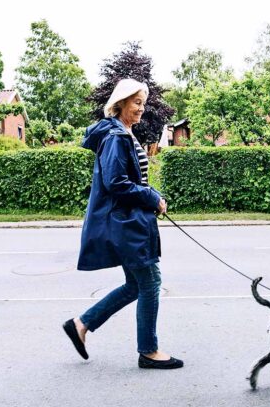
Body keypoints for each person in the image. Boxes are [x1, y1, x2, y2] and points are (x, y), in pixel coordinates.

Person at [62, 78, 183, 370]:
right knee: (151, 282)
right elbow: (116, 183)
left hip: (130, 222)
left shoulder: (124, 132)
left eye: (143, 103)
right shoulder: (116, 136)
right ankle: (149, 351)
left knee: (134, 285)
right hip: (126, 224)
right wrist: (152, 197)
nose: (141, 108)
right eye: (136, 102)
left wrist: (151, 197)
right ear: (120, 104)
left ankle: (81, 324)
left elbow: (130, 180)